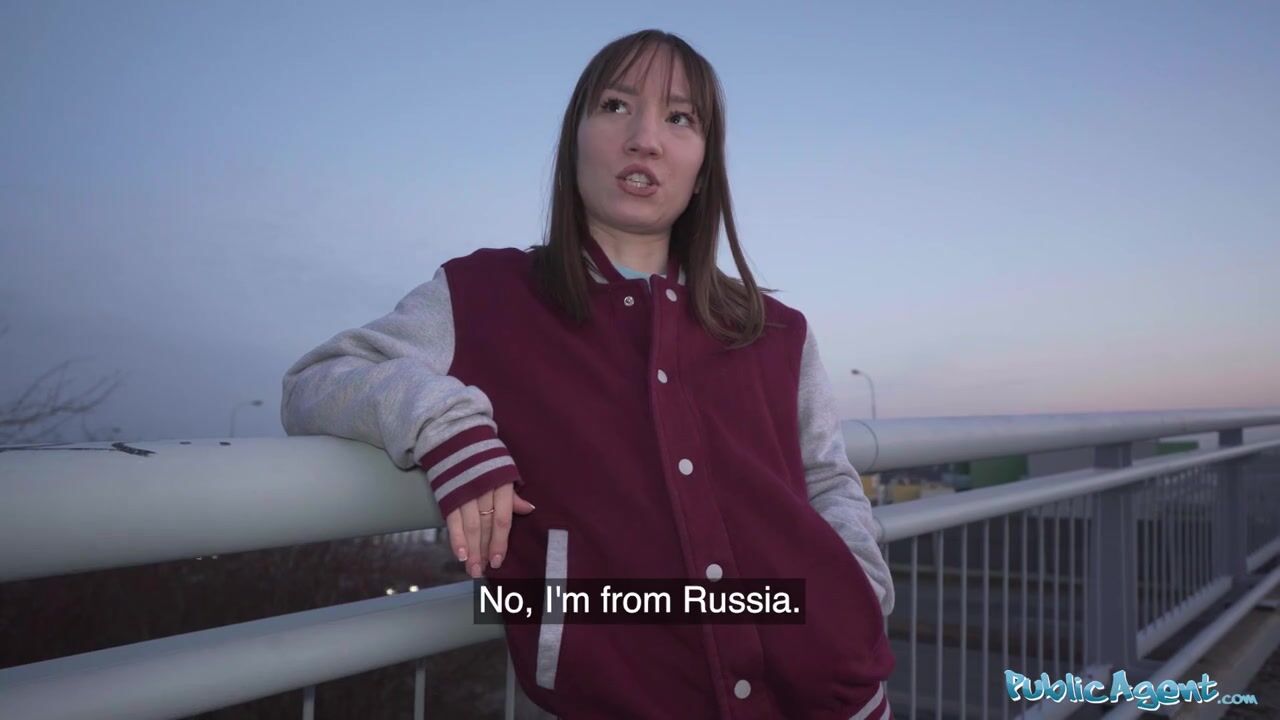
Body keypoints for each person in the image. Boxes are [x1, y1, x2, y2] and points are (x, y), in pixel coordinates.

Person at [282, 29, 895, 720]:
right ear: (574, 138)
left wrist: (858, 604)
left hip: (834, 702)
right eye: (615, 105)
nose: (645, 139)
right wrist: (446, 425)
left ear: (703, 167)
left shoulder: (775, 330)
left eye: (680, 118)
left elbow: (828, 483)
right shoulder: (485, 296)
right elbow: (318, 379)